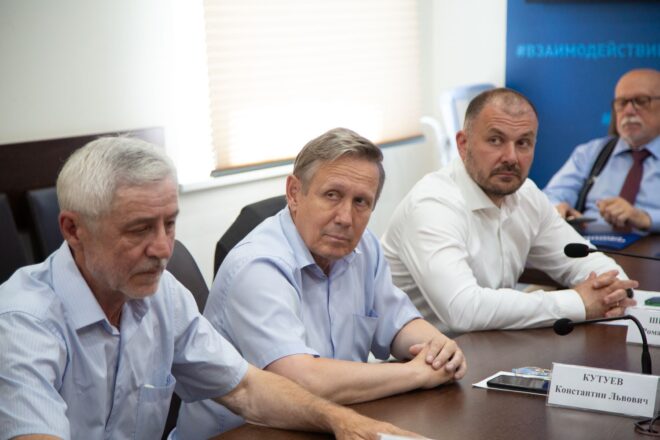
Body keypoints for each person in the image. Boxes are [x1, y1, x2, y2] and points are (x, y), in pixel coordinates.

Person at [0, 137, 419, 440]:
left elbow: (248, 388)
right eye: (140, 229)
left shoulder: (163, 296)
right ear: (74, 230)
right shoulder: (22, 322)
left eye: (169, 224)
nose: (163, 248)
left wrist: (345, 422)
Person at [177, 128, 467, 439]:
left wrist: (439, 349)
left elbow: (397, 324)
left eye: (361, 202)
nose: (345, 217)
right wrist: (416, 373)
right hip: (242, 434)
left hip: (330, 422)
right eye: (332, 195)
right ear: (294, 193)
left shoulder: (363, 247)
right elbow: (300, 381)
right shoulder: (258, 265)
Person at [381, 88, 638, 335]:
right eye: (495, 140)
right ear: (463, 144)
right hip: (415, 357)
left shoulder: (526, 195)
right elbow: (463, 310)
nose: (511, 157)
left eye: (523, 143)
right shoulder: (432, 205)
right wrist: (578, 302)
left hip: (489, 345)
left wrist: (614, 292)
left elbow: (586, 260)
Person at [543, 68, 660, 232]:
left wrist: (646, 218)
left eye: (641, 101)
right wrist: (559, 208)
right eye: (621, 103)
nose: (628, 111)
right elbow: (551, 196)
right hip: (589, 244)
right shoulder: (590, 152)